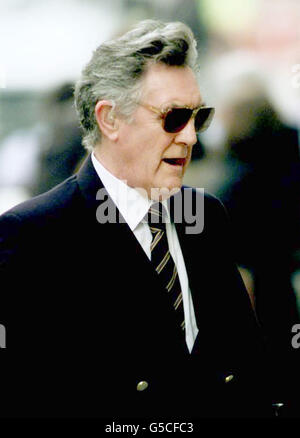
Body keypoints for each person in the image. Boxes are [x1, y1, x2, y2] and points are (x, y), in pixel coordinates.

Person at [0, 20, 275, 419]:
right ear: (110, 119)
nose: (191, 137)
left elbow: (247, 369)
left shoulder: (206, 215)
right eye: (173, 117)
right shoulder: (31, 235)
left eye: (199, 117)